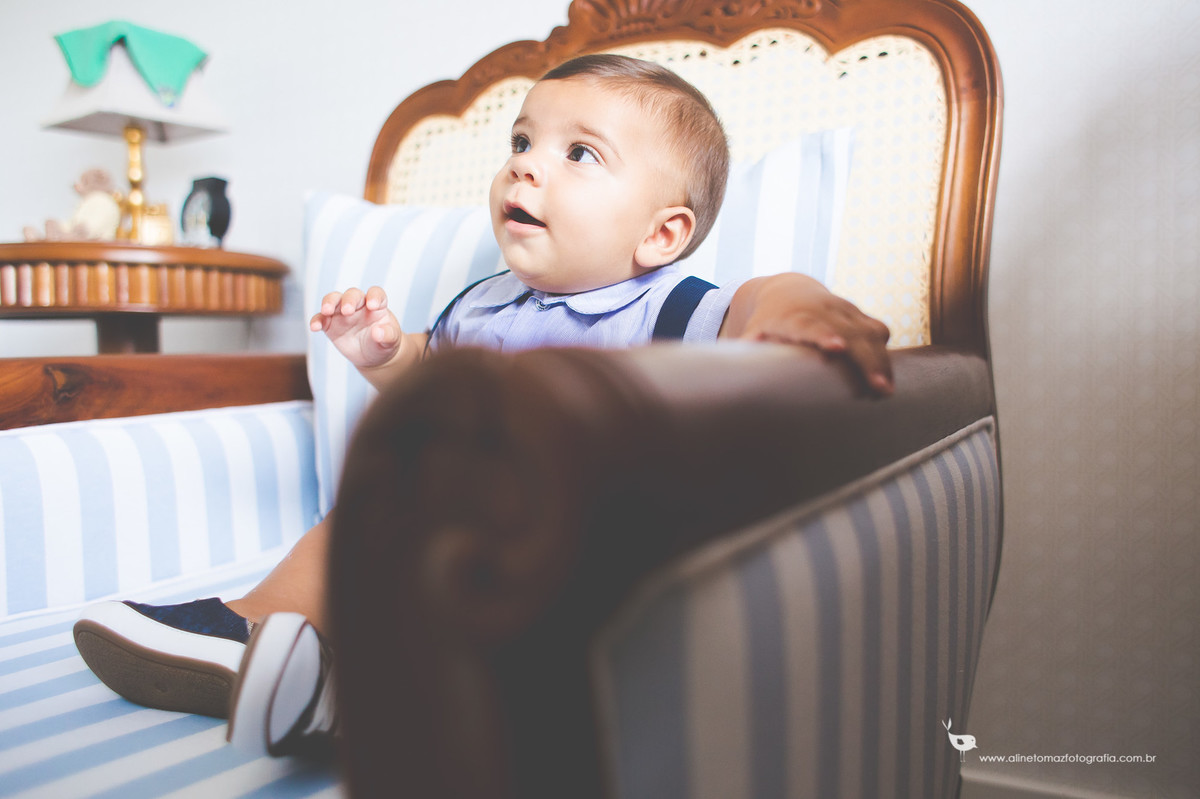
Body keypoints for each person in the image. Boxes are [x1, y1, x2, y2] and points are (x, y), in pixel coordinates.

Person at [72, 54, 893, 758]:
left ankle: (359, 694)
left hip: (589, 547)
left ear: (661, 234)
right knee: (361, 526)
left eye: (579, 153)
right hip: (452, 538)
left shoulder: (668, 306)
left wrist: (798, 305)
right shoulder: (484, 307)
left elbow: (755, 302)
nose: (526, 166)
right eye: (523, 142)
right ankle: (258, 644)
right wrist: (386, 354)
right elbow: (433, 366)